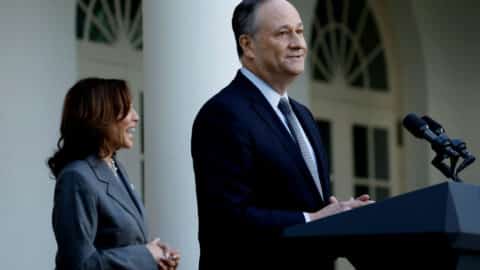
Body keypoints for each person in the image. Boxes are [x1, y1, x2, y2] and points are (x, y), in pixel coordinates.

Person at [191, 0, 373, 269]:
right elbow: (227, 221)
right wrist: (312, 220)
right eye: (283, 33)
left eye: (299, 31)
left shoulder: (303, 116)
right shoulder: (222, 114)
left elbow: (310, 205)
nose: (298, 43)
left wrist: (341, 215)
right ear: (248, 45)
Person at [48, 78, 180, 270]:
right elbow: (78, 265)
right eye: (127, 109)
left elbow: (120, 241)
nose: (136, 117)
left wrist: (157, 254)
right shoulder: (76, 178)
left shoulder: (114, 166)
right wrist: (146, 255)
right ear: (100, 117)